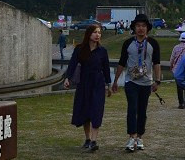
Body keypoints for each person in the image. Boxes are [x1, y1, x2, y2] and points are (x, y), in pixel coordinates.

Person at [111, 13, 162, 152]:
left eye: (143, 26)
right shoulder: (128, 43)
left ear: (147, 28)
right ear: (134, 28)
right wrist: (115, 80)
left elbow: (156, 63)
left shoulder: (153, 43)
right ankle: (131, 136)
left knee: (142, 110)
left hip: (146, 82)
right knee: (132, 108)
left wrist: (157, 81)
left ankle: (139, 136)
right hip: (131, 81)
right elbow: (122, 62)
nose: (140, 29)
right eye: (138, 26)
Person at [63, 23, 112, 152]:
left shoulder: (102, 51)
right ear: (89, 34)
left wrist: (109, 84)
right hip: (84, 83)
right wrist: (67, 78)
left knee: (96, 110)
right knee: (85, 111)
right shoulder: (80, 49)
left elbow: (106, 69)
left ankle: (94, 141)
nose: (98, 35)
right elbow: (72, 64)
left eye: (99, 32)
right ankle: (88, 138)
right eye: (95, 32)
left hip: (97, 84)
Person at [169, 31, 185, 109]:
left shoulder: (175, 48)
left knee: (179, 87)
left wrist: (171, 66)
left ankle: (181, 103)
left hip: (176, 70)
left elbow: (172, 59)